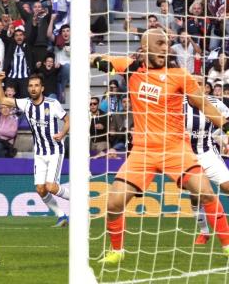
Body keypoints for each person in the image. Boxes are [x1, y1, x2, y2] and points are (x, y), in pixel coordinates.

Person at [92, 29, 229, 265]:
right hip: (143, 152)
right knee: (114, 202)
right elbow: (98, 60)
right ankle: (117, 251)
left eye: (167, 43)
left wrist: (226, 127)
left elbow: (204, 106)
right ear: (145, 49)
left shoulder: (179, 74)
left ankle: (227, 245)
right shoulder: (132, 68)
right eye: (159, 43)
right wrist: (94, 59)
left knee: (205, 192)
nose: (166, 48)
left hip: (176, 148)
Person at [0, 72, 70, 226]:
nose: (33, 88)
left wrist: (62, 133)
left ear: (42, 88)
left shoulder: (52, 104)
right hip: (40, 152)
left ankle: (81, 200)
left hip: (54, 150)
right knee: (41, 189)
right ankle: (62, 216)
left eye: (36, 85)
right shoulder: (26, 104)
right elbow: (1, 99)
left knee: (51, 187)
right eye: (30, 86)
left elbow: (68, 119)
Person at [184, 92, 229, 245]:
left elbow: (227, 120)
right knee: (196, 196)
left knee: (227, 186)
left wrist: (226, 139)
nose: (197, 87)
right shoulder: (177, 103)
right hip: (186, 156)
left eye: (200, 84)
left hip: (207, 153)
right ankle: (204, 232)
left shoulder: (214, 103)